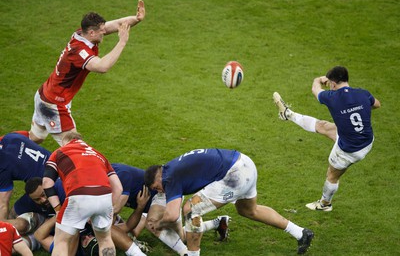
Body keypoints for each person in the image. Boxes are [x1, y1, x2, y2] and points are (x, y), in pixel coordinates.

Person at [144, 149, 314, 255]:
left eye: (157, 187)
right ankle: (301, 233)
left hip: (234, 175)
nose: (160, 191)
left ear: (159, 177)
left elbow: (172, 215)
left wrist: (158, 224)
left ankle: (192, 254)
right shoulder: (172, 168)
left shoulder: (168, 178)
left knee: (191, 209)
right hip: (245, 163)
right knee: (248, 210)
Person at [29, 0, 145, 146]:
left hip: (44, 95)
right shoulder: (80, 52)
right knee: (76, 150)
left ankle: (8, 149)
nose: (105, 32)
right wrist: (122, 42)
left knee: (34, 139)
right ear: (91, 32)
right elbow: (102, 67)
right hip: (54, 104)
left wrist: (137, 18)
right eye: (101, 30)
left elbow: (116, 24)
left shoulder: (81, 34)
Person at [273, 66, 381, 211]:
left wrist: (319, 79)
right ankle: (288, 114)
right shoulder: (363, 94)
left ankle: (325, 204)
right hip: (366, 140)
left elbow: (315, 89)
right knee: (323, 126)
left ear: (333, 84)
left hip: (349, 151)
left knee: (332, 175)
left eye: (330, 83)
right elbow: (376, 105)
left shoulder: (331, 97)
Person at [42, 132, 133, 256]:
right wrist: (108, 207)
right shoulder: (99, 155)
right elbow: (118, 188)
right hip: (104, 196)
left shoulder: (60, 152)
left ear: (65, 142)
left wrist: (58, 208)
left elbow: (47, 182)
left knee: (61, 241)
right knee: (105, 239)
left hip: (78, 195)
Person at [112, 163, 230, 256]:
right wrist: (140, 208)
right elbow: (127, 228)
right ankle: (218, 222)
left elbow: (126, 227)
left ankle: (185, 253)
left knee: (152, 223)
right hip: (148, 205)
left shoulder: (121, 176)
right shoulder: (109, 185)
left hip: (164, 193)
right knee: (183, 236)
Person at [0, 132, 51, 220]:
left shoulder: (2, 167)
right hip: (58, 164)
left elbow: (3, 204)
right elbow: (34, 136)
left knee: (14, 213)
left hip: (47, 184)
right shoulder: (11, 137)